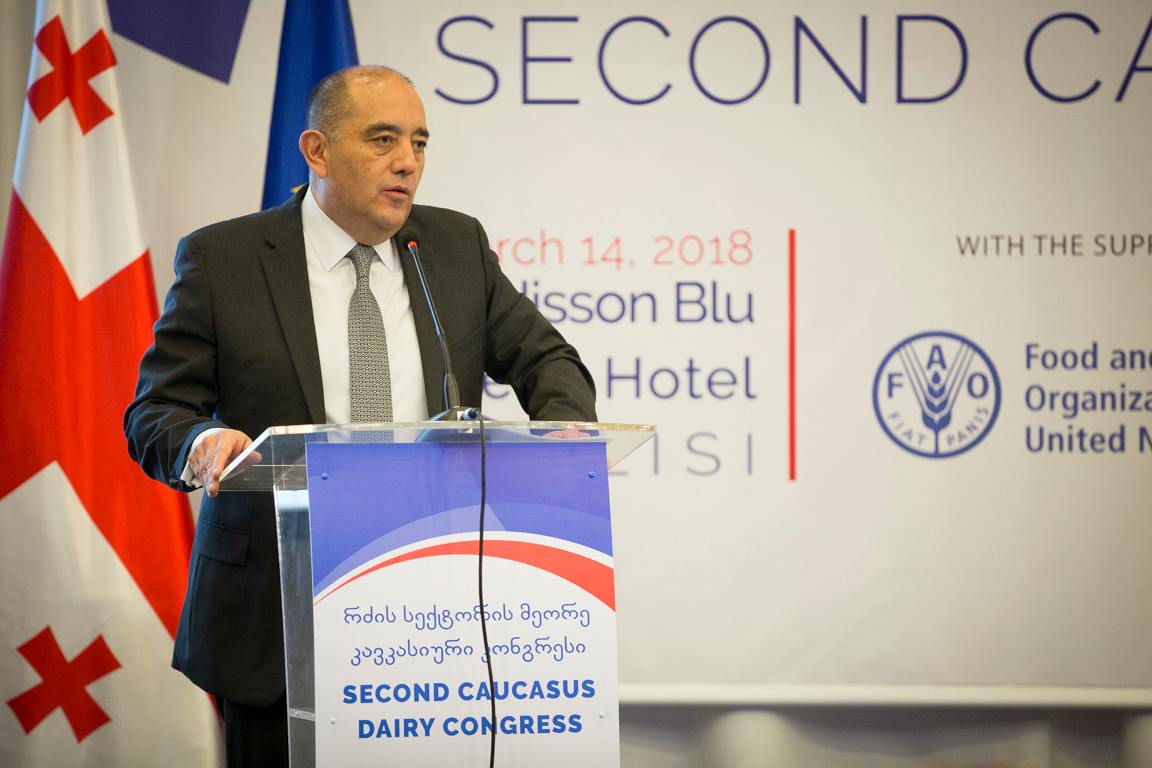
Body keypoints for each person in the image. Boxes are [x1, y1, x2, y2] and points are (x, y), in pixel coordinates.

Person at [124, 65, 596, 766]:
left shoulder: (454, 247)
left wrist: (563, 434)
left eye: (419, 142)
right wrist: (202, 439)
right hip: (277, 611)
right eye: (383, 139)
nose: (408, 161)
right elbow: (156, 410)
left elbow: (547, 359)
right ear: (317, 151)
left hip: (432, 600)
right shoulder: (224, 259)